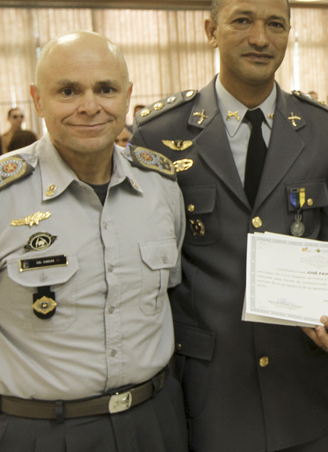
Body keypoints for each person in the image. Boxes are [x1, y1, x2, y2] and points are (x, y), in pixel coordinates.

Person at [132, 0, 328, 452]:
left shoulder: (323, 131)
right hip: (209, 394)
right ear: (210, 30)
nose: (261, 38)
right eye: (243, 20)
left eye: (276, 25)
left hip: (308, 387)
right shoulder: (158, 134)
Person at [0, 31, 187, 451]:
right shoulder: (4, 195)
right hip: (39, 431)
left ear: (127, 97)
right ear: (38, 99)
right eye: (68, 91)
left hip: (153, 422)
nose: (89, 106)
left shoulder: (161, 187)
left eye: (105, 89)